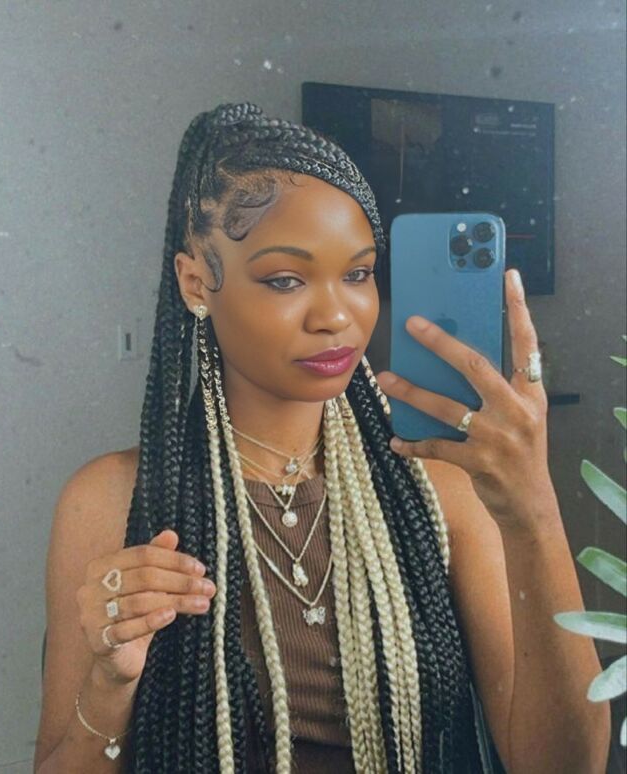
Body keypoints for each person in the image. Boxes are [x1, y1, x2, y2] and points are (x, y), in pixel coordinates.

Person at [34, 102, 610, 773]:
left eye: (358, 273)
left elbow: (567, 766)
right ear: (196, 283)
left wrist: (534, 511)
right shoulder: (111, 501)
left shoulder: (439, 493)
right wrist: (110, 683)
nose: (336, 315)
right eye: (285, 279)